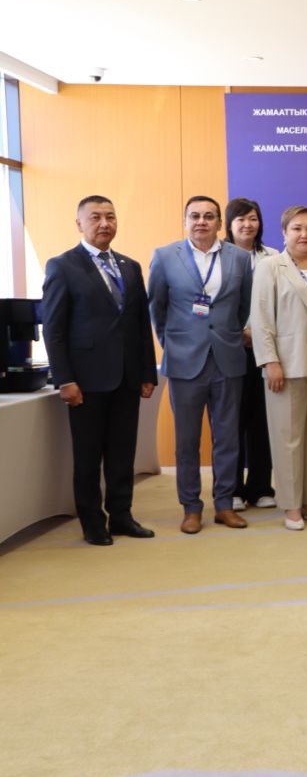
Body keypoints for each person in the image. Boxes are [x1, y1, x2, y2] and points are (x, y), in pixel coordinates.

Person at [42, 195, 158, 546]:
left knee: (123, 454)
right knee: (89, 456)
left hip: (127, 378)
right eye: (95, 217)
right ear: (79, 223)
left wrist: (147, 373)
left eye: (110, 216)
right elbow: (54, 329)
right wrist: (64, 378)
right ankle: (93, 522)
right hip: (86, 381)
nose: (104, 223)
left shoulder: (130, 266)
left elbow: (141, 325)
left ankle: (121, 516)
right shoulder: (62, 266)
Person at [148, 196, 254, 534]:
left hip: (227, 359)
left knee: (228, 439)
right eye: (194, 216)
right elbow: (157, 308)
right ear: (185, 221)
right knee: (186, 441)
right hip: (184, 361)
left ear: (220, 223)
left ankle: (224, 505)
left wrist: (228, 335)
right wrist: (172, 343)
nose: (201, 222)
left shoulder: (239, 258)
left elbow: (243, 307)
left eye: (209, 216)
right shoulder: (165, 256)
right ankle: (191, 508)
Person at [251, 205, 307, 530]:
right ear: (284, 232)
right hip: (286, 364)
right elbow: (261, 318)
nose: (304, 234)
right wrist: (270, 361)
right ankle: (291, 507)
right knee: (288, 438)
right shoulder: (269, 267)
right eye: (297, 228)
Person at [225, 197, 278, 511]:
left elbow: (279, 305)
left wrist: (258, 334)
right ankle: (232, 489)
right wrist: (239, 333)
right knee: (232, 421)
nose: (248, 225)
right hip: (231, 349)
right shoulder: (220, 256)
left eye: (253, 218)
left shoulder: (274, 257)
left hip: (266, 349)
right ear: (230, 225)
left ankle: (260, 487)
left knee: (262, 420)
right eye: (241, 219)